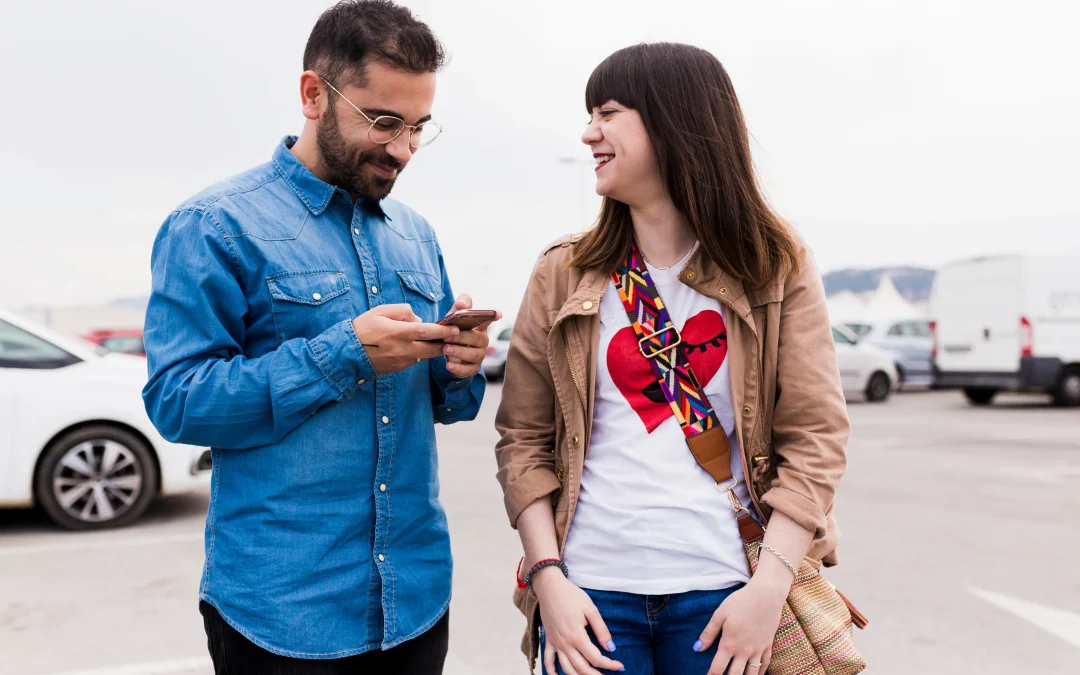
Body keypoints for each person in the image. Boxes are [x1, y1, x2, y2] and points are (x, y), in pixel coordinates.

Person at [142, 2, 498, 673]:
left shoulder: (416, 235)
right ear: (313, 95)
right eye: (384, 122)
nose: (403, 149)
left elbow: (447, 405)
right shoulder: (213, 225)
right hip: (282, 613)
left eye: (419, 128)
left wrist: (458, 367)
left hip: (416, 601)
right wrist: (343, 354)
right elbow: (177, 401)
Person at [494, 42, 851, 675]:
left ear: (672, 121)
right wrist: (548, 580)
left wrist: (768, 593)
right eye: (589, 116)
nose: (589, 134)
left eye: (607, 113)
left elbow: (816, 439)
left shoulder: (774, 265)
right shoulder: (562, 271)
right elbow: (523, 440)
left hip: (727, 593)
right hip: (589, 597)